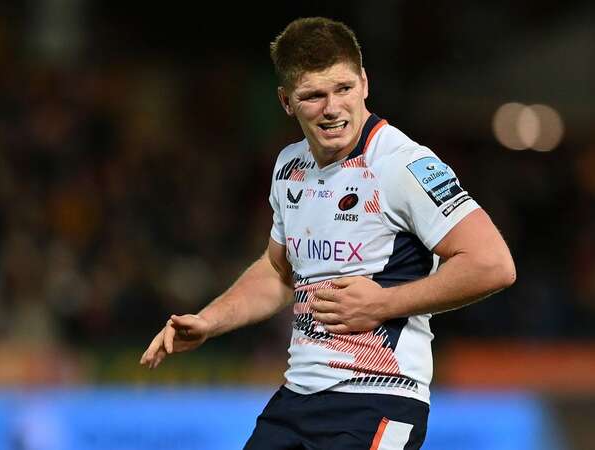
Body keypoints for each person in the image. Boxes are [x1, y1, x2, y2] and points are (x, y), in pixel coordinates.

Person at [140, 17, 515, 449]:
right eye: (313, 96)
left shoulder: (402, 164)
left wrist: (384, 303)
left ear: (365, 83)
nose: (332, 107)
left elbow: (493, 264)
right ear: (286, 101)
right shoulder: (290, 166)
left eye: (343, 89)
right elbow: (280, 272)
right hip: (299, 397)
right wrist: (210, 321)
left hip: (379, 397)